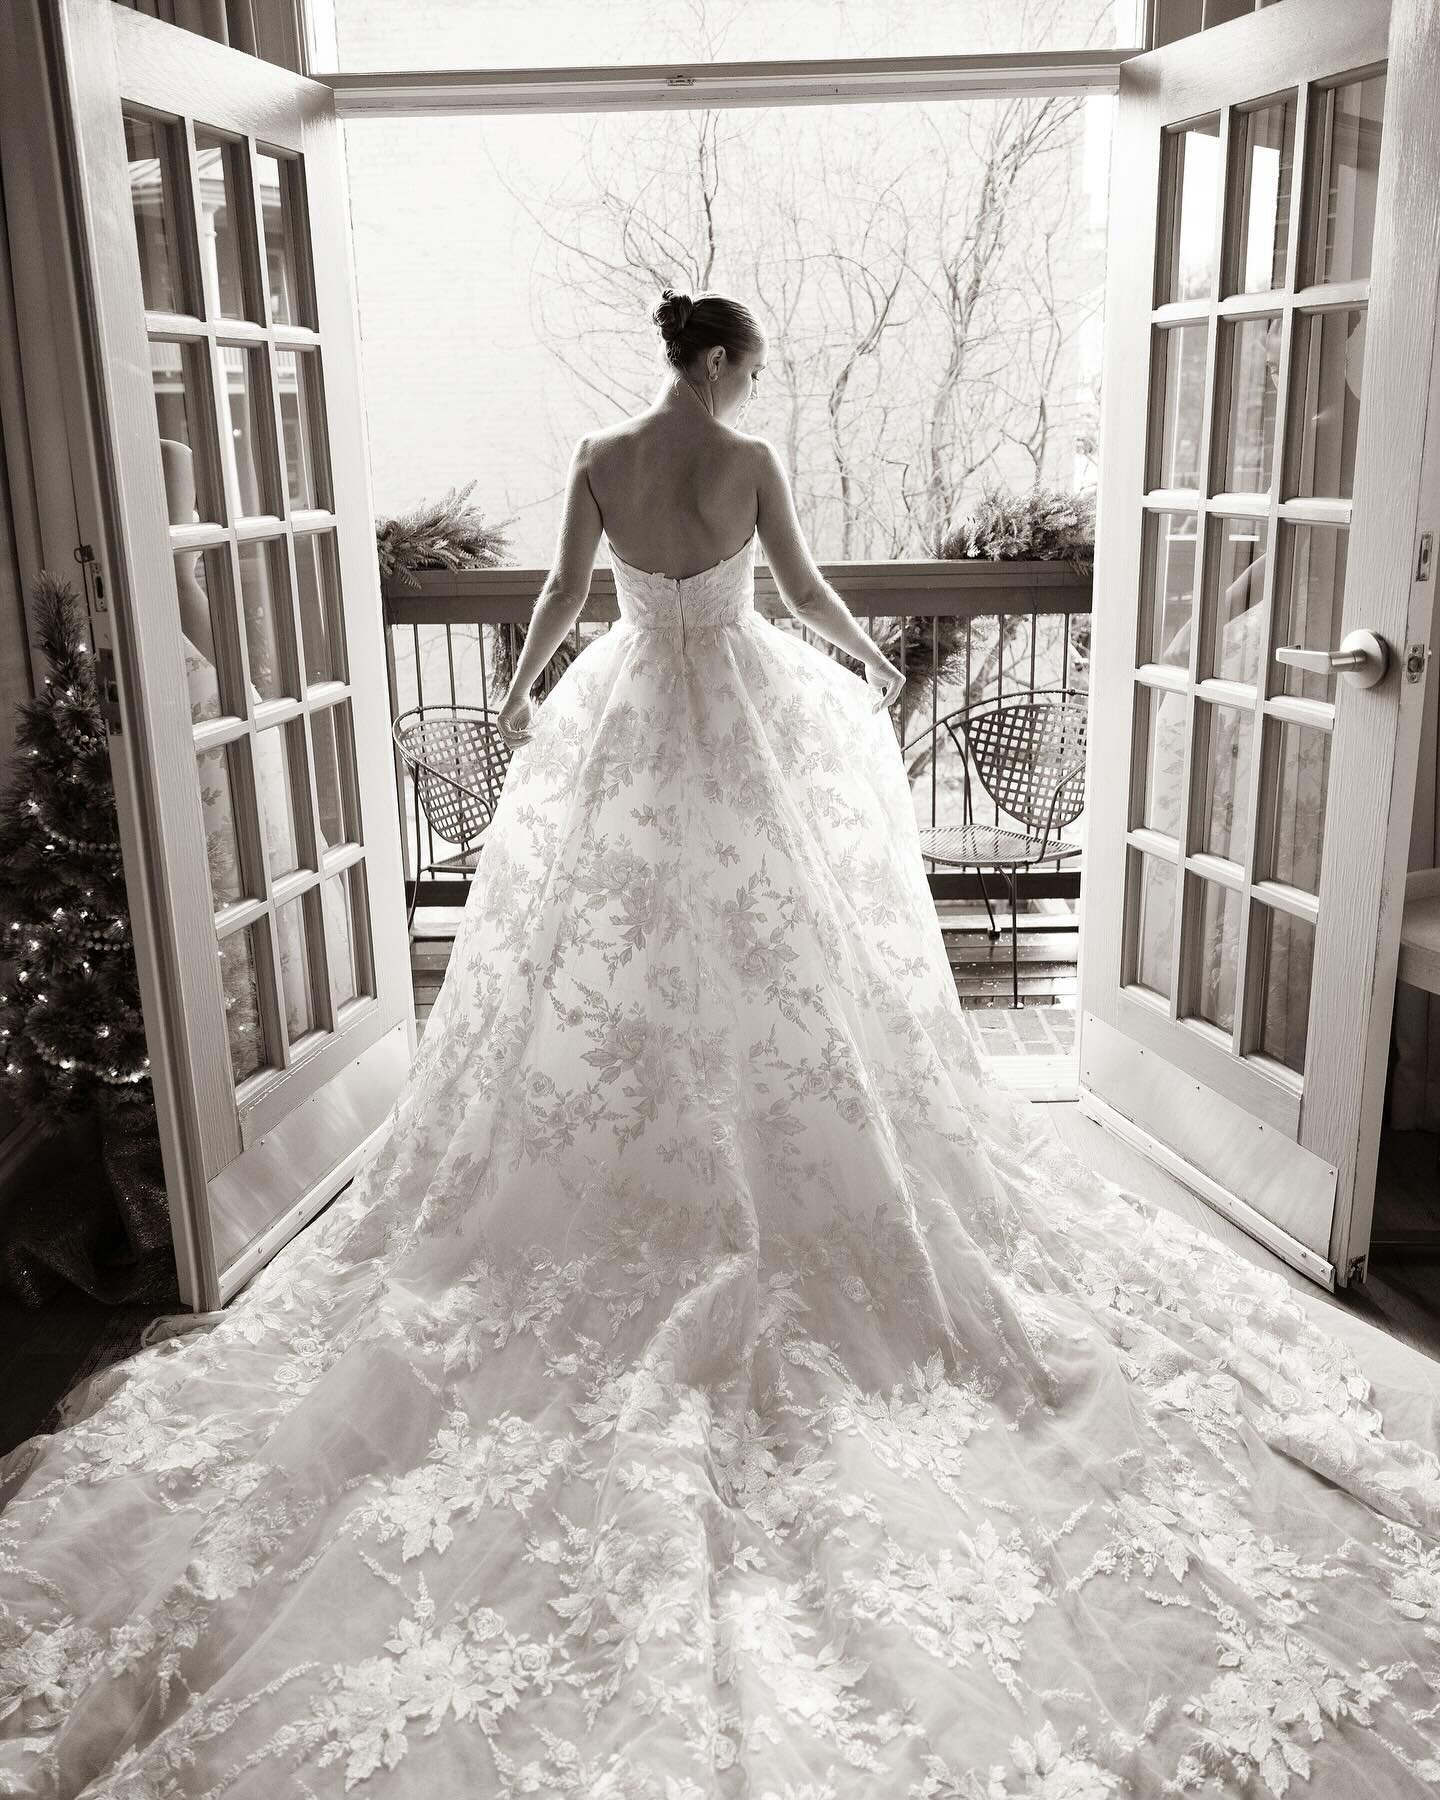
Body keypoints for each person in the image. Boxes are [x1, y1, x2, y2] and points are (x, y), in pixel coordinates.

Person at [1, 290, 1438, 1799]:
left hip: (630, 716)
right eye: (755, 362)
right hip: (740, 717)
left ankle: (641, 1169)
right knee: (786, 946)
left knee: (610, 967)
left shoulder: (602, 452)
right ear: (727, 363)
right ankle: (781, 1159)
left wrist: (519, 686)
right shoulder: (743, 459)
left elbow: (559, 600)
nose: (755, 378)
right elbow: (804, 594)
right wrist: (872, 669)